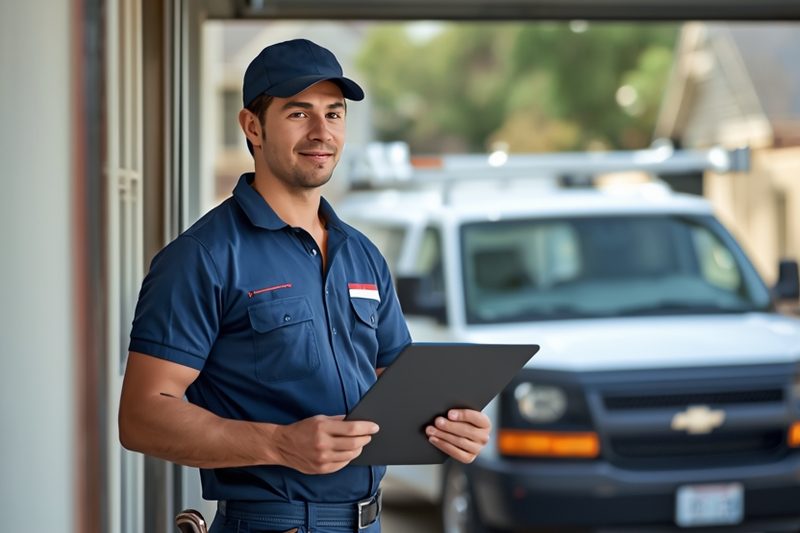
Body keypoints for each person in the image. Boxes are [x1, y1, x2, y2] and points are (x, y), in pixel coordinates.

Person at [118, 38, 491, 533]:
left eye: (334, 114)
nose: (322, 132)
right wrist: (277, 443)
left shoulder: (362, 254)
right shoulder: (201, 258)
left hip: (369, 522)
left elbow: (391, 385)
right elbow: (142, 416)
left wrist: (448, 425)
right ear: (253, 126)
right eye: (299, 114)